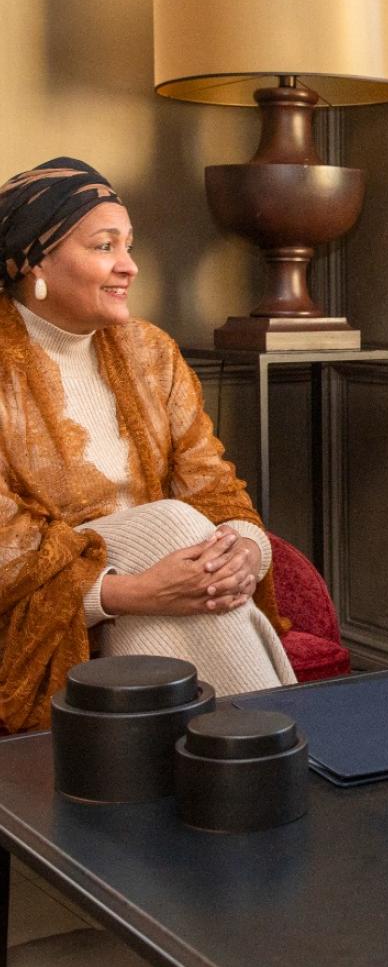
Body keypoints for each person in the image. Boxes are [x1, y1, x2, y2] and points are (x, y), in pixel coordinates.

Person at [0, 158, 294, 733]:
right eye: (105, 245)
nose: (128, 266)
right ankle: (281, 755)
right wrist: (127, 593)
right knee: (173, 526)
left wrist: (244, 552)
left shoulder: (150, 353)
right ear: (34, 260)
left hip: (166, 604)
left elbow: (213, 486)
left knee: (178, 544)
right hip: (38, 618)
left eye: (129, 245)